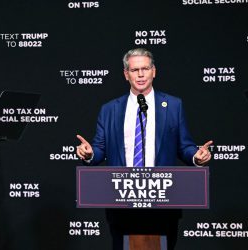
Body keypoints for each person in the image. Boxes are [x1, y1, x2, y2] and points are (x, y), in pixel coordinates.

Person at [76, 48, 212, 249]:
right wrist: (89, 154)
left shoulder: (174, 105)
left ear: (154, 71)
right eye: (134, 70)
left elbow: (184, 146)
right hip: (122, 200)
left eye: (145, 69)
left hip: (163, 199)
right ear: (126, 74)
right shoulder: (109, 109)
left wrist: (196, 157)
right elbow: (99, 150)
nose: (140, 74)